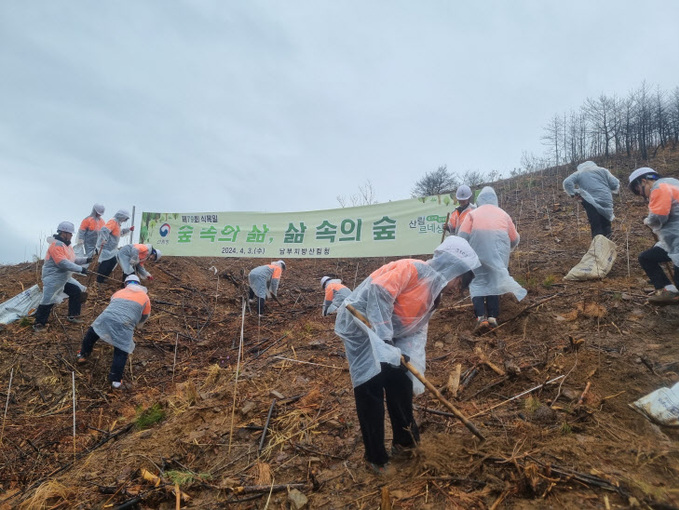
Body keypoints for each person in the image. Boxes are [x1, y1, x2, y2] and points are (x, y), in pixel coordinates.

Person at [333, 236, 480, 473]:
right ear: (451, 267)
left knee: (400, 382)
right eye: (460, 280)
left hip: (390, 339)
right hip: (362, 330)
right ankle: (376, 458)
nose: (457, 288)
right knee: (370, 387)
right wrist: (384, 339)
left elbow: (416, 328)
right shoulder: (411, 268)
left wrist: (407, 356)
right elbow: (378, 292)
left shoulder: (433, 293)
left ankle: (406, 444)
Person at [458, 186, 526, 334]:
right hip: (497, 257)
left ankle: (480, 317)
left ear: (479, 200)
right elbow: (514, 239)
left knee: (477, 282)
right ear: (495, 199)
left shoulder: (472, 214)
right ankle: (493, 317)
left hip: (476, 256)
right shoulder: (504, 215)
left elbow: (461, 237)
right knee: (494, 282)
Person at [76, 275, 151, 390]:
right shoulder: (145, 297)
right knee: (121, 350)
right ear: (139, 284)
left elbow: (114, 306)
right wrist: (138, 324)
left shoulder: (118, 293)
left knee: (92, 333)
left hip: (106, 317)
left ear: (126, 284)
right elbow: (145, 315)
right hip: (125, 323)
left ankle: (83, 354)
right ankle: (116, 381)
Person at [628, 167, 679, 305]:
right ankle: (668, 291)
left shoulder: (659, 187)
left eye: (641, 192)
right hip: (673, 242)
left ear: (644, 181)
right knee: (647, 257)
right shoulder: (674, 183)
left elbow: (659, 216)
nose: (645, 197)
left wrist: (648, 221)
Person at [33, 221, 89, 331]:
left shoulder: (67, 246)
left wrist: (86, 260)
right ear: (64, 232)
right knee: (48, 299)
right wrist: (80, 270)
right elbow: (62, 262)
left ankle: (72, 315)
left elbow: (73, 260)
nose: (72, 235)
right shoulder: (56, 245)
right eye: (70, 233)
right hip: (53, 278)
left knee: (76, 291)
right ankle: (39, 323)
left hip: (63, 277)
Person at [563, 161, 620, 239]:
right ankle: (608, 245)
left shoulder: (579, 173)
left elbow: (567, 182)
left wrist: (574, 193)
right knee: (606, 223)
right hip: (606, 199)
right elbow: (614, 184)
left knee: (595, 223)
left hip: (590, 200)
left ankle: (598, 247)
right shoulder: (603, 170)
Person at [96, 210, 133, 284]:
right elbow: (104, 230)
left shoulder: (118, 224)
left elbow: (120, 233)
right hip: (106, 248)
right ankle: (99, 280)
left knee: (113, 261)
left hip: (112, 249)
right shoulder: (113, 222)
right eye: (125, 218)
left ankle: (104, 277)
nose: (125, 220)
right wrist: (104, 239)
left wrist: (129, 229)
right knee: (105, 263)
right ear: (121, 216)